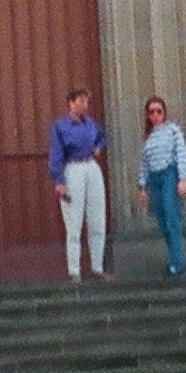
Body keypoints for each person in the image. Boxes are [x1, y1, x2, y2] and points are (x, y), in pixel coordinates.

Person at [48, 87, 108, 282]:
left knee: (97, 216)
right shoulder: (60, 126)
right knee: (74, 221)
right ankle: (74, 271)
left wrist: (98, 147)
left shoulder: (90, 123)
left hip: (91, 166)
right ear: (71, 103)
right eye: (81, 101)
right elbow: (56, 154)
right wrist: (59, 180)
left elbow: (102, 137)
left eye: (86, 101)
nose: (85, 105)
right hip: (73, 168)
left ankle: (97, 267)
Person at [137, 96, 186, 277]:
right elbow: (144, 163)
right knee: (162, 220)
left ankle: (177, 261)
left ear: (164, 113)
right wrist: (142, 187)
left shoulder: (173, 130)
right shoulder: (148, 138)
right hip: (154, 178)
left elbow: (181, 154)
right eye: (151, 112)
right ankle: (173, 257)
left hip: (169, 174)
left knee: (171, 215)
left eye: (159, 111)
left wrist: (182, 179)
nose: (155, 115)